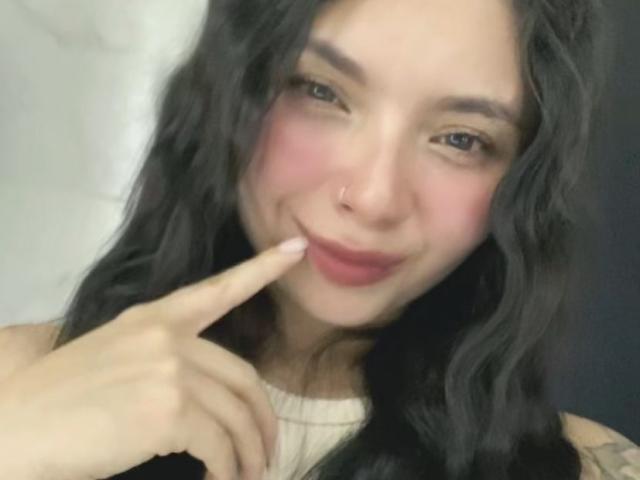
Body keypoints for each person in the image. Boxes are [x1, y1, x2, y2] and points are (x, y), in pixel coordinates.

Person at [0, 0, 637, 479]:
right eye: (321, 92)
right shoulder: (22, 385)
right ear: (230, 90)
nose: (375, 198)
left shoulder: (595, 468)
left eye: (461, 139)